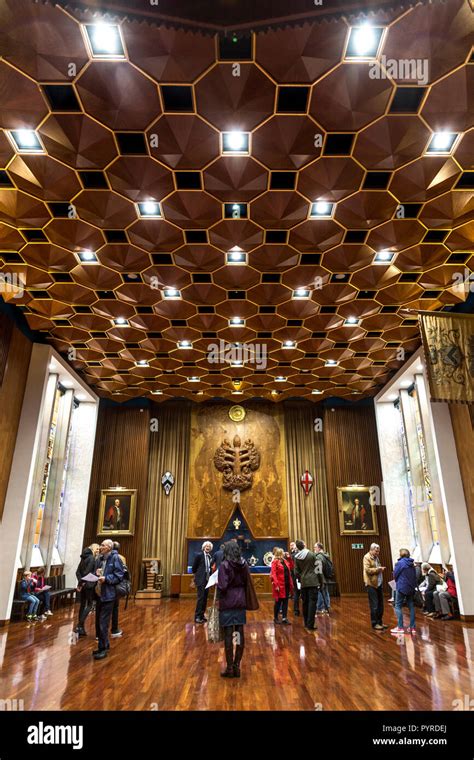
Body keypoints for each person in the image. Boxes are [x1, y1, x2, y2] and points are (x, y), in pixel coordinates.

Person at [217, 541, 251, 678]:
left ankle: (230, 667)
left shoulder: (224, 565)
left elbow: (223, 586)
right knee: (239, 633)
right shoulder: (244, 564)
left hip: (228, 601)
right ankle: (237, 666)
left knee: (228, 635)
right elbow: (247, 582)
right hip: (240, 600)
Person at [93, 539, 125, 660]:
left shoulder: (115, 558)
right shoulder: (100, 559)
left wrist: (106, 579)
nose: (100, 547)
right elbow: (99, 572)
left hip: (109, 595)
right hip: (100, 593)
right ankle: (104, 645)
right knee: (100, 622)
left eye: (102, 545)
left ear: (109, 548)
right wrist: (97, 574)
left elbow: (119, 575)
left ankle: (103, 649)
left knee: (103, 623)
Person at [294, 540, 323, 632]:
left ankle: (306, 623)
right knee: (312, 603)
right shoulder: (312, 555)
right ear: (304, 545)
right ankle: (310, 624)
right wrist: (321, 581)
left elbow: (296, 572)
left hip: (303, 583)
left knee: (305, 603)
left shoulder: (296, 557)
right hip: (313, 582)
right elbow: (318, 569)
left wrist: (302, 578)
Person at [75, 543, 100, 637]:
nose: (98, 550)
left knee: (82, 605)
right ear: (93, 548)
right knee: (90, 604)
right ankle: (79, 625)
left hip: (83, 584)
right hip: (89, 584)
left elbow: (78, 572)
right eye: (97, 549)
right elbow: (87, 572)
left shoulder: (83, 557)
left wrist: (80, 583)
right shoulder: (92, 558)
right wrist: (84, 582)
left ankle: (81, 629)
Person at [391, 548, 417, 634]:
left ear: (401, 555)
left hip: (402, 587)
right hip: (411, 587)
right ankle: (412, 627)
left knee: (398, 606)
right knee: (411, 606)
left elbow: (395, 575)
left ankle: (400, 627)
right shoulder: (412, 564)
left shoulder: (399, 563)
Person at [363, 543, 388, 631]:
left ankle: (380, 622)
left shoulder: (376, 557)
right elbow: (367, 570)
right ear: (372, 549)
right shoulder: (366, 557)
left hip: (379, 583)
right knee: (374, 605)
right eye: (376, 551)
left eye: (378, 551)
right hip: (371, 584)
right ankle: (375, 623)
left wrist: (379, 569)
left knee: (381, 605)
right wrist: (379, 569)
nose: (378, 553)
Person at [270, 547, 293, 625]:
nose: (284, 553)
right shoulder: (275, 562)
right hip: (279, 585)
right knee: (278, 602)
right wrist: (276, 584)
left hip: (286, 584)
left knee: (285, 601)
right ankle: (276, 618)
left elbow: (291, 567)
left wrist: (289, 559)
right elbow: (273, 574)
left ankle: (284, 618)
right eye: (283, 552)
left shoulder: (285, 561)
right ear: (279, 554)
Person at [192, 540, 213, 624]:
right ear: (203, 547)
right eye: (206, 546)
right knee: (200, 598)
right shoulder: (199, 555)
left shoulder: (209, 557)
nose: (207, 547)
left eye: (209, 546)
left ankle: (202, 615)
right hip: (200, 580)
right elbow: (194, 568)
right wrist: (197, 577)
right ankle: (197, 616)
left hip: (207, 580)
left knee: (205, 599)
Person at [111, 541, 127, 638]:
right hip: (115, 586)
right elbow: (123, 573)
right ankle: (114, 628)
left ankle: (99, 633)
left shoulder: (104, 556)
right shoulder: (121, 558)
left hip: (105, 585)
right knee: (114, 608)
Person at [314, 542, 331, 615]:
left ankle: (320, 608)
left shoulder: (318, 557)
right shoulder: (325, 555)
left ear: (319, 548)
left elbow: (318, 570)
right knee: (325, 592)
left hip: (321, 578)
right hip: (326, 577)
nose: (314, 549)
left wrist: (318, 579)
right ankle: (327, 607)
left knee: (320, 592)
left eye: (315, 547)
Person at [288, 540, 301, 616]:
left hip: (296, 576)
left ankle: (296, 610)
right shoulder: (294, 555)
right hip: (299, 577)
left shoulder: (293, 555)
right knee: (298, 593)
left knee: (296, 593)